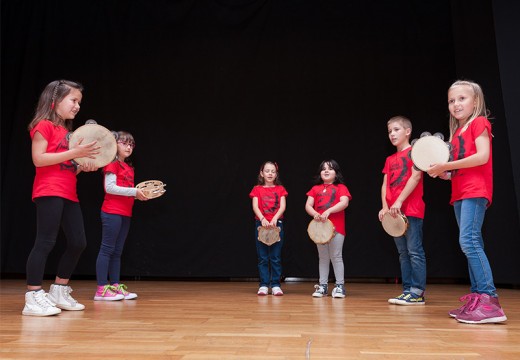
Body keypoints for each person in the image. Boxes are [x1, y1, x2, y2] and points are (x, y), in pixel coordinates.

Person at [428, 80, 507, 324]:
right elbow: (463, 165)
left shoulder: (479, 122)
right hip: (461, 192)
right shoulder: (457, 133)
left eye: (462, 98)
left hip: (475, 191)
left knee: (469, 242)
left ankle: (490, 301)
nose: (456, 104)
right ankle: (478, 299)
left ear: (476, 101)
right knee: (471, 243)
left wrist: (447, 165)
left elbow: (482, 157)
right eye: (452, 100)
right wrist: (447, 174)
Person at [24, 80, 100, 316]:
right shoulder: (43, 125)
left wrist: (82, 166)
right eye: (73, 100)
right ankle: (33, 296)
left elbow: (67, 164)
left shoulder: (68, 133)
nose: (77, 106)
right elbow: (39, 159)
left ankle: (59, 290)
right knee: (45, 241)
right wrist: (76, 153)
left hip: (68, 191)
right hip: (48, 190)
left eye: (79, 102)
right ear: (54, 101)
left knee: (79, 242)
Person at [94, 131, 148, 301]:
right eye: (124, 143)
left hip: (125, 213)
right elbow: (110, 188)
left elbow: (126, 191)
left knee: (117, 252)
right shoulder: (112, 164)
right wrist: (135, 191)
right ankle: (101, 289)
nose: (129, 147)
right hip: (112, 212)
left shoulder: (129, 167)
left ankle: (115, 286)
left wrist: (139, 195)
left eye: (131, 144)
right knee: (107, 249)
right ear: (114, 144)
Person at [379, 116, 427, 305]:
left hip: (411, 210)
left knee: (415, 251)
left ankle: (417, 292)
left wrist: (398, 201)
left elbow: (415, 178)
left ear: (408, 131)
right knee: (403, 253)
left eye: (396, 130)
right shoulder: (390, 159)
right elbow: (385, 185)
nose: (392, 134)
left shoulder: (415, 153)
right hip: (393, 214)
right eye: (390, 131)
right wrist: (385, 206)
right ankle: (407, 290)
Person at [305, 160, 352, 298]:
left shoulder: (341, 187)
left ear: (336, 173)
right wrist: (315, 214)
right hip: (320, 229)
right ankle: (323, 286)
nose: (326, 171)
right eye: (323, 169)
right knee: (323, 257)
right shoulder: (315, 189)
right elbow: (308, 205)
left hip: (337, 227)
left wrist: (329, 211)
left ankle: (339, 286)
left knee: (336, 256)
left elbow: (344, 202)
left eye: (330, 169)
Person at [249, 161, 288, 296]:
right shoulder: (256, 189)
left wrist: (275, 218)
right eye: (267, 171)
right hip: (261, 225)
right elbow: (255, 207)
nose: (270, 173)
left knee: (275, 256)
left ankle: (276, 284)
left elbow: (282, 206)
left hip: (277, 224)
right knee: (263, 256)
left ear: (276, 174)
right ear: (262, 173)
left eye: (272, 171)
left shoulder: (280, 189)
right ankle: (264, 284)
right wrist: (263, 219)